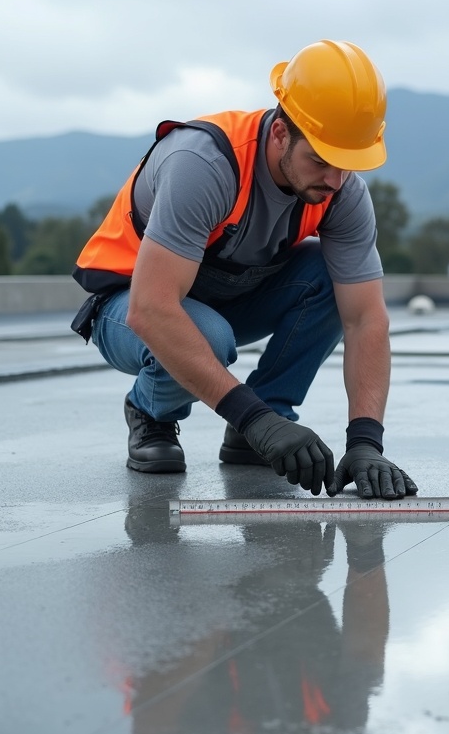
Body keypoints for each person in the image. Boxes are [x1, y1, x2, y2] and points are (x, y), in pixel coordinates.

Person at [71, 40, 416, 500]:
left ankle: (260, 425)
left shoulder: (341, 191)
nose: (335, 181)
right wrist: (253, 418)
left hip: (226, 298)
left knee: (329, 279)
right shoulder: (205, 164)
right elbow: (151, 310)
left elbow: (366, 317)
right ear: (279, 134)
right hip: (128, 303)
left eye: (347, 164)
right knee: (209, 336)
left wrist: (366, 441)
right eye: (320, 160)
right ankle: (150, 412)